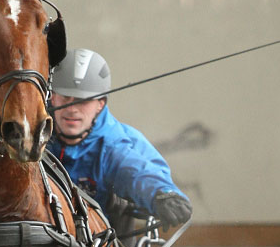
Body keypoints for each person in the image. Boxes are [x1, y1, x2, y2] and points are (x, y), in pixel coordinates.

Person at [47, 48, 192, 230]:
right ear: (52, 97)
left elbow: (136, 172)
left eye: (82, 101)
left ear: (100, 104)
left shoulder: (114, 144)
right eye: (65, 97)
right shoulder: (31, 133)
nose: (71, 108)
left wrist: (162, 193)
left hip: (99, 239)